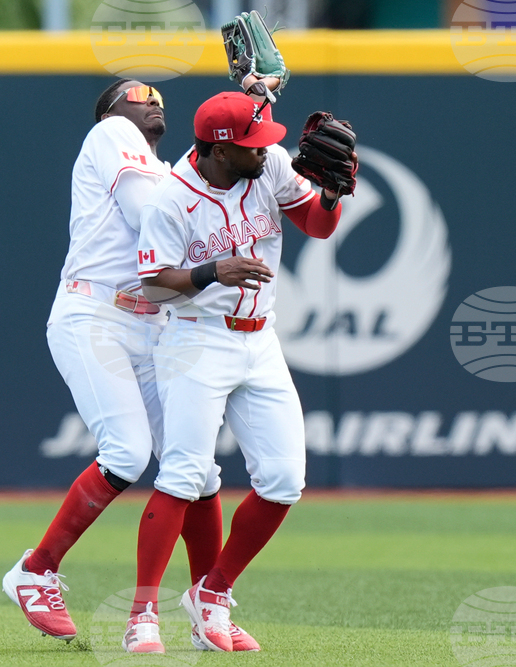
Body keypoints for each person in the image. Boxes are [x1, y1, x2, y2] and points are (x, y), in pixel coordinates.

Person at [2, 79, 232, 650]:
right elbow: (150, 215)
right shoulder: (110, 134)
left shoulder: (169, 171)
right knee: (127, 453)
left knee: (196, 469)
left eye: (158, 98)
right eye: (139, 93)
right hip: (94, 313)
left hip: (154, 325)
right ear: (111, 109)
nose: (153, 101)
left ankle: (208, 605)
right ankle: (36, 570)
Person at [129, 91, 347, 652]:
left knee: (284, 480)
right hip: (196, 338)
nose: (267, 150)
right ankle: (142, 615)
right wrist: (212, 271)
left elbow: (317, 226)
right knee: (183, 475)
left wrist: (329, 196)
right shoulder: (171, 198)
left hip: (261, 340)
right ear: (219, 152)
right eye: (252, 145)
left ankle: (213, 593)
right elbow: (153, 286)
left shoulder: (267, 166)